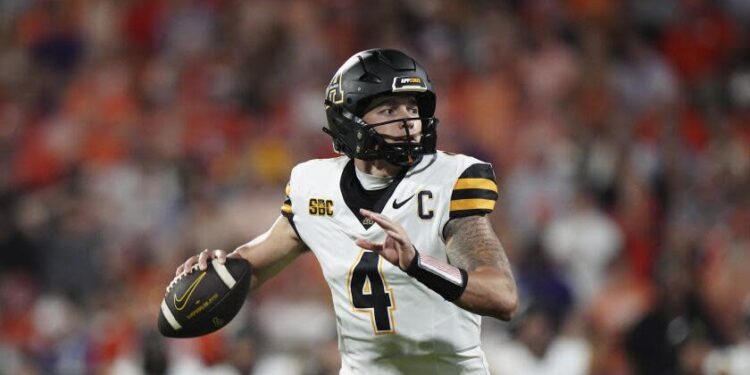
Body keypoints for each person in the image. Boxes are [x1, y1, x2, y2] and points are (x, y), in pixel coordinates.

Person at [176, 48, 518, 374]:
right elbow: (250, 269)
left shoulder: (450, 179)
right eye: (389, 110)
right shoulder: (313, 186)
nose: (408, 122)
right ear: (349, 119)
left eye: (412, 109)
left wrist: (418, 264)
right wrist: (217, 269)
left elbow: (502, 296)